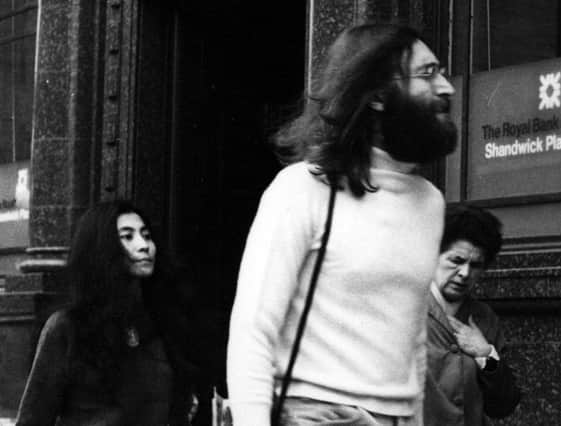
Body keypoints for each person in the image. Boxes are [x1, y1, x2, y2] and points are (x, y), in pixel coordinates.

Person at [226, 23, 457, 426]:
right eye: (427, 73)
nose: (447, 88)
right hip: (315, 414)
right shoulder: (301, 189)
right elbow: (253, 331)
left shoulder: (429, 202)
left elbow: (412, 340)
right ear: (379, 95)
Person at [16, 200, 200, 425]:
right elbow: (34, 418)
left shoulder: (161, 323)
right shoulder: (67, 326)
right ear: (103, 247)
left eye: (147, 235)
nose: (144, 245)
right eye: (128, 236)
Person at [424, 205, 521, 425]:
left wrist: (485, 354)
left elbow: (503, 404)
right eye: (456, 261)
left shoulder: (484, 318)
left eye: (475, 265)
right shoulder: (409, 309)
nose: (465, 273)